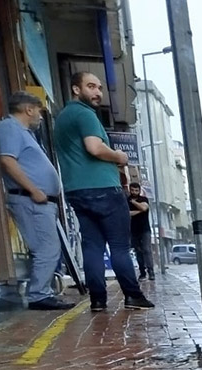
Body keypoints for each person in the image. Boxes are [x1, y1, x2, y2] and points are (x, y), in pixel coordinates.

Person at [53, 72, 154, 312]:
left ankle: (98, 300)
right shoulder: (85, 114)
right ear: (76, 89)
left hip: (77, 190)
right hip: (103, 189)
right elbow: (94, 148)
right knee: (119, 246)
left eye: (99, 87)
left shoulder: (62, 117)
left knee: (92, 246)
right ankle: (132, 295)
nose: (97, 92)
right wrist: (119, 156)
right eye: (91, 86)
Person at [0, 92, 74, 311]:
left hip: (38, 201)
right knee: (47, 248)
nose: (41, 117)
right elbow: (7, 160)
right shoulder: (10, 128)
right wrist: (33, 190)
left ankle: (41, 293)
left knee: (45, 248)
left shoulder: (24, 133)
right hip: (31, 200)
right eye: (39, 112)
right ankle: (40, 295)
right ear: (29, 109)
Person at [128, 182, 155, 281]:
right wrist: (140, 211)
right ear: (129, 190)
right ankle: (142, 273)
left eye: (136, 190)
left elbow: (144, 207)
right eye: (132, 190)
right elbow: (127, 213)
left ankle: (151, 272)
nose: (134, 192)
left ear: (139, 191)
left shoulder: (143, 199)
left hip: (145, 230)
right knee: (138, 251)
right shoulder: (126, 201)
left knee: (147, 250)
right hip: (133, 231)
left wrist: (134, 202)